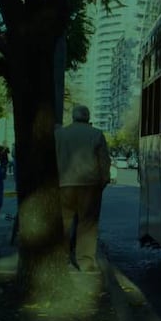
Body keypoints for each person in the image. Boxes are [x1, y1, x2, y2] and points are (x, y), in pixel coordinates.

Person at [55, 104, 111, 271]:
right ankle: (85, 261)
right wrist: (104, 181)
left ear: (73, 116)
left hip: (64, 184)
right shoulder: (96, 134)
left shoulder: (59, 134)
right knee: (87, 223)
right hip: (89, 185)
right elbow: (104, 160)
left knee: (64, 223)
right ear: (88, 117)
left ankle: (61, 258)